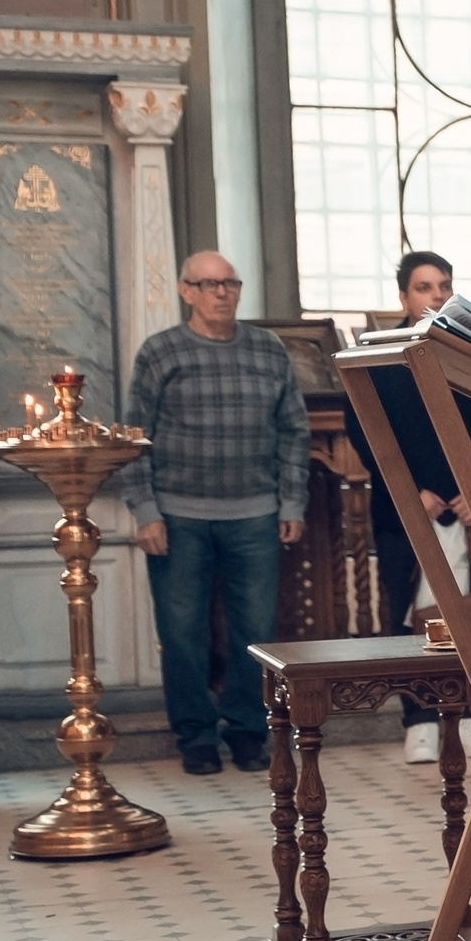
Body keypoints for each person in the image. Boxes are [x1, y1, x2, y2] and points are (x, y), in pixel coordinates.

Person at [122, 252, 310, 776]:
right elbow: (135, 437)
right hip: (178, 516)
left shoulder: (268, 350)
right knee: (183, 631)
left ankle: (250, 733)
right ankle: (196, 737)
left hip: (255, 512)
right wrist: (145, 512)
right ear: (186, 291)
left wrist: (291, 501)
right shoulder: (161, 352)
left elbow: (293, 432)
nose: (221, 293)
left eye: (230, 283)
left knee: (255, 631)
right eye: (208, 284)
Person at [354, 252, 471, 763]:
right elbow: (367, 432)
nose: (436, 296)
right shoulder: (376, 356)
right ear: (403, 297)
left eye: (444, 286)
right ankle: (420, 719)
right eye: (424, 287)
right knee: (410, 616)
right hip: (408, 510)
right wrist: (411, 491)